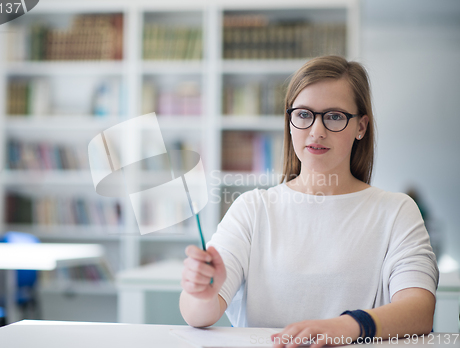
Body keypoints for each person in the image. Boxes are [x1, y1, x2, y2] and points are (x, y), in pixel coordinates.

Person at [179, 56, 439, 348]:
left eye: (335, 116)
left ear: (361, 127)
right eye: (303, 115)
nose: (316, 130)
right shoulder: (252, 209)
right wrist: (200, 292)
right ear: (289, 121)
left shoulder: (396, 211)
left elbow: (420, 311)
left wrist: (346, 325)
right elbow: (200, 315)